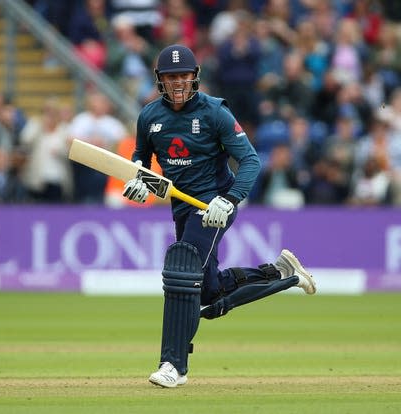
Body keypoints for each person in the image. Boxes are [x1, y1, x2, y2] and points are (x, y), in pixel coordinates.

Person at [122, 44, 317, 388]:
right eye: (171, 77)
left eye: (183, 75)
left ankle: (173, 365)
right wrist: (139, 182)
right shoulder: (150, 116)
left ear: (195, 77)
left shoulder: (215, 113)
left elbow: (251, 160)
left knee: (181, 269)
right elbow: (140, 160)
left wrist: (228, 199)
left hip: (213, 207)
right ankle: (282, 273)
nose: (178, 82)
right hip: (183, 207)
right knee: (208, 290)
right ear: (160, 80)